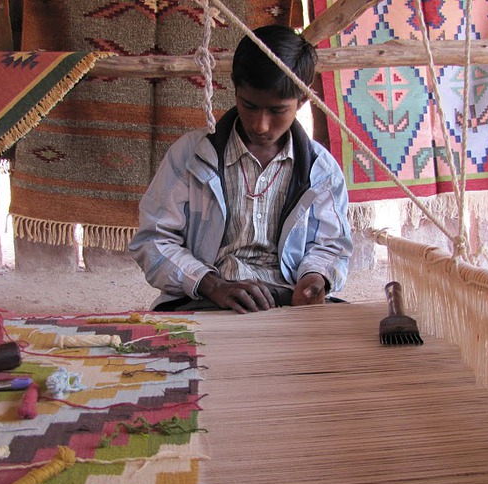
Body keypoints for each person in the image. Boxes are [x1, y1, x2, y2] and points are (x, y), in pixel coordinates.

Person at [129, 24, 352, 314]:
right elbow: (153, 240)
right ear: (235, 88)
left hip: (289, 301)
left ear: (303, 100)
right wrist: (212, 284)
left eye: (276, 110)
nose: (260, 125)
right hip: (206, 298)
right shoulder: (190, 156)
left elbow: (333, 246)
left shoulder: (322, 171)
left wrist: (314, 278)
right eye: (249, 105)